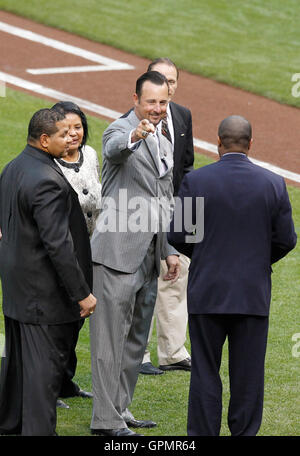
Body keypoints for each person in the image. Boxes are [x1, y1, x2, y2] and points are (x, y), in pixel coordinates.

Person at [168, 115, 297, 436]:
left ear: (218, 142)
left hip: (207, 292)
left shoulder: (196, 181)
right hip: (252, 295)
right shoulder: (272, 183)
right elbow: (287, 239)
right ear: (251, 144)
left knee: (205, 372)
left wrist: (207, 256)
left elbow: (179, 234)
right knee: (248, 376)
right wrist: (257, 261)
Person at [89, 71, 180, 436]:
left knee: (134, 341)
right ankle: (105, 421)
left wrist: (171, 248)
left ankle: (121, 410)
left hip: (149, 256)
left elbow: (167, 196)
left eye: (163, 102)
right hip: (115, 254)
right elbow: (114, 148)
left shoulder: (164, 137)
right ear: (135, 99)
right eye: (150, 102)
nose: (157, 109)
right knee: (109, 340)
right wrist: (134, 135)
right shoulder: (119, 129)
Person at [0, 108, 97, 436]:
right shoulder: (47, 180)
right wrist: (82, 293)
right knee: (43, 377)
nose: (70, 137)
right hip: (44, 297)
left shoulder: (13, 167)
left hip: (17, 290)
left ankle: (11, 426)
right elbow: (58, 245)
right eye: (61, 134)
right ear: (44, 140)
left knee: (17, 371)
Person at [140, 57, 194, 375]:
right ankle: (139, 354)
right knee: (144, 280)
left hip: (177, 208)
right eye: (161, 79)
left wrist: (184, 210)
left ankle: (173, 351)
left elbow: (186, 165)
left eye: (172, 80)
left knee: (177, 277)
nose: (167, 85)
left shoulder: (183, 115)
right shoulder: (134, 120)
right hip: (143, 211)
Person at [51, 101, 101, 407]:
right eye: (66, 129)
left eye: (78, 127)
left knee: (76, 320)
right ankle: (50, 384)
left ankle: (66, 380)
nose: (73, 134)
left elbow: (97, 194)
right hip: (61, 254)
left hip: (88, 250)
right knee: (58, 320)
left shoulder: (91, 155)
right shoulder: (47, 162)